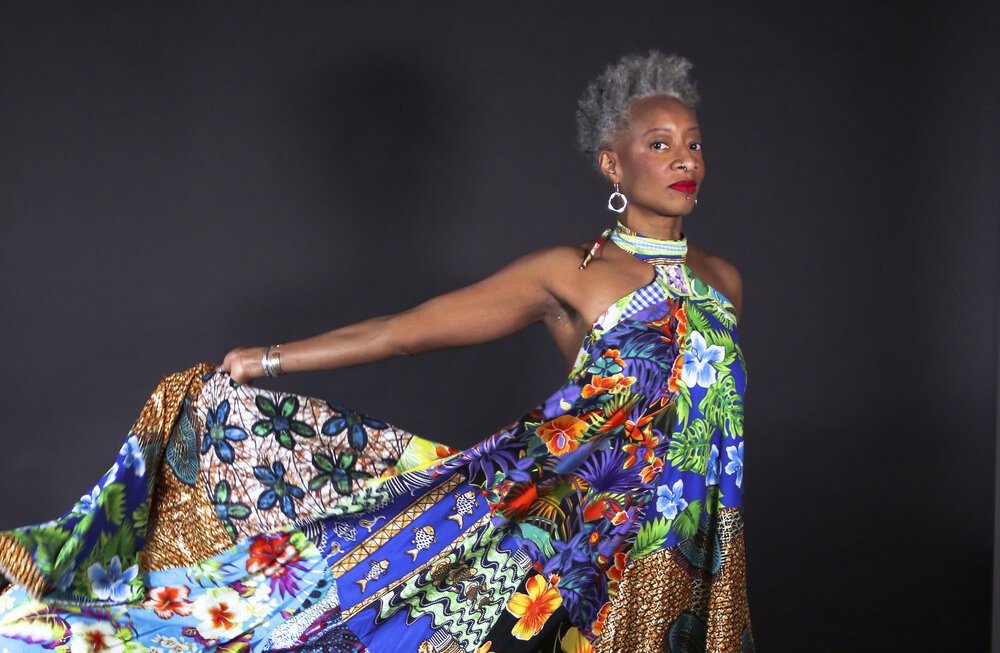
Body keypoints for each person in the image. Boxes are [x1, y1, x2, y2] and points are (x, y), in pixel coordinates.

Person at [0, 50, 754, 653]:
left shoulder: (723, 282)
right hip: (579, 536)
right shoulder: (573, 273)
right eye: (658, 144)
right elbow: (405, 330)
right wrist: (267, 359)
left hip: (692, 541)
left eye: (692, 144)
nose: (683, 159)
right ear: (613, 168)